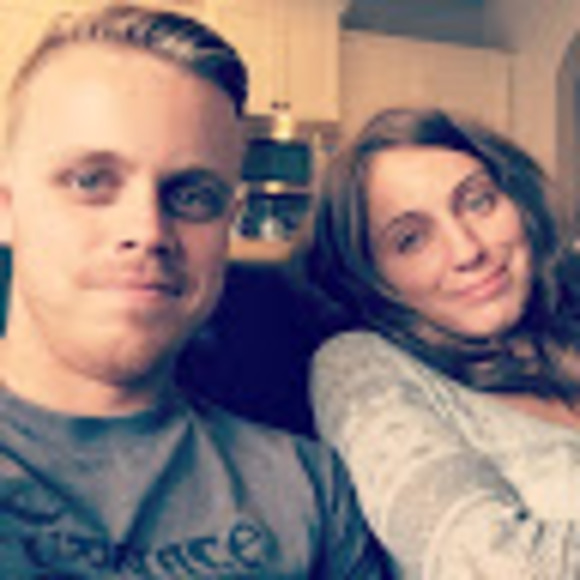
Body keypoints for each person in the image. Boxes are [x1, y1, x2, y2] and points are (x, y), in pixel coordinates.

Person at [0, 3, 389, 576]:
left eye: (192, 196)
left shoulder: (311, 491)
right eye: (91, 180)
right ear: (7, 206)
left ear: (228, 223)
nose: (148, 231)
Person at [301, 106, 580, 578]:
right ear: (369, 278)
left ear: (520, 201)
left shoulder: (564, 324)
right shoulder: (359, 366)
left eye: (478, 202)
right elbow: (487, 566)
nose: (468, 250)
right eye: (411, 240)